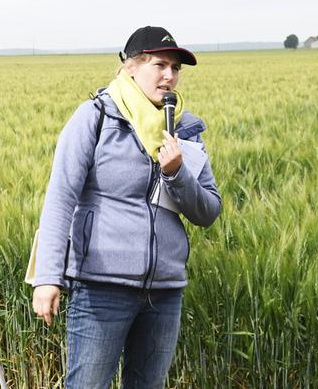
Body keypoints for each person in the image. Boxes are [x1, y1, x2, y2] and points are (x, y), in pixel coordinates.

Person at [30, 26, 221, 388]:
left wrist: (178, 173)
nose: (170, 76)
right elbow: (60, 198)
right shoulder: (97, 117)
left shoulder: (185, 130)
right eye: (160, 65)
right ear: (131, 67)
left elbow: (208, 210)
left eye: (176, 68)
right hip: (102, 288)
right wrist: (48, 278)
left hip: (164, 292)